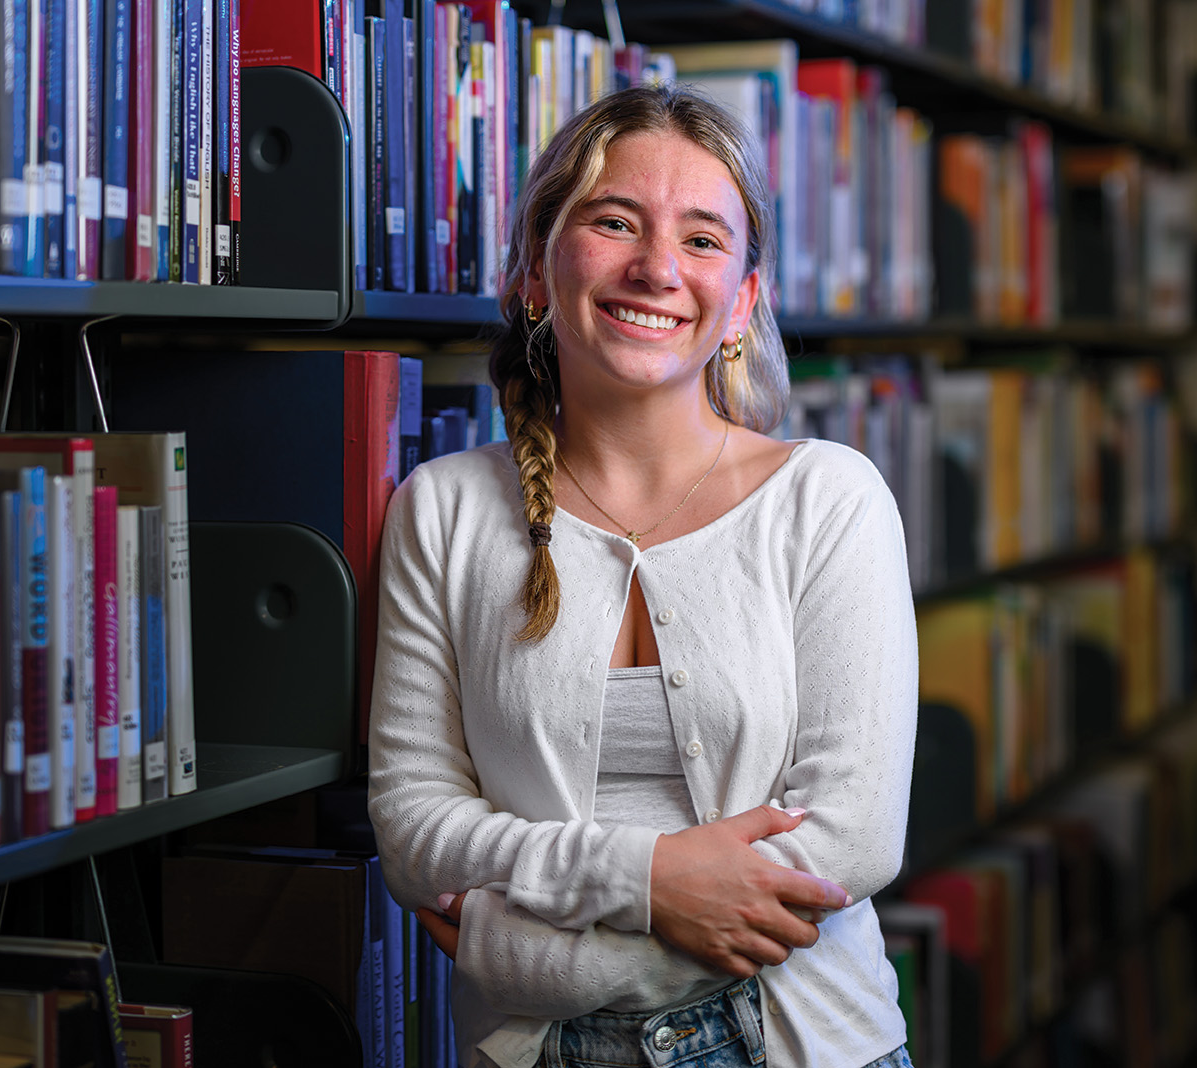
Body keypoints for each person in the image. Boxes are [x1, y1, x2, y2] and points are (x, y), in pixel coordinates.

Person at [366, 84, 918, 1068]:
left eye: (702, 240)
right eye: (613, 221)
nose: (657, 267)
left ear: (742, 301)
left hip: (804, 1045)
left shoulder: (829, 501)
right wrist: (656, 882)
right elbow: (414, 828)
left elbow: (850, 841)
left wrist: (530, 955)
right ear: (537, 272)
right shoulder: (440, 510)